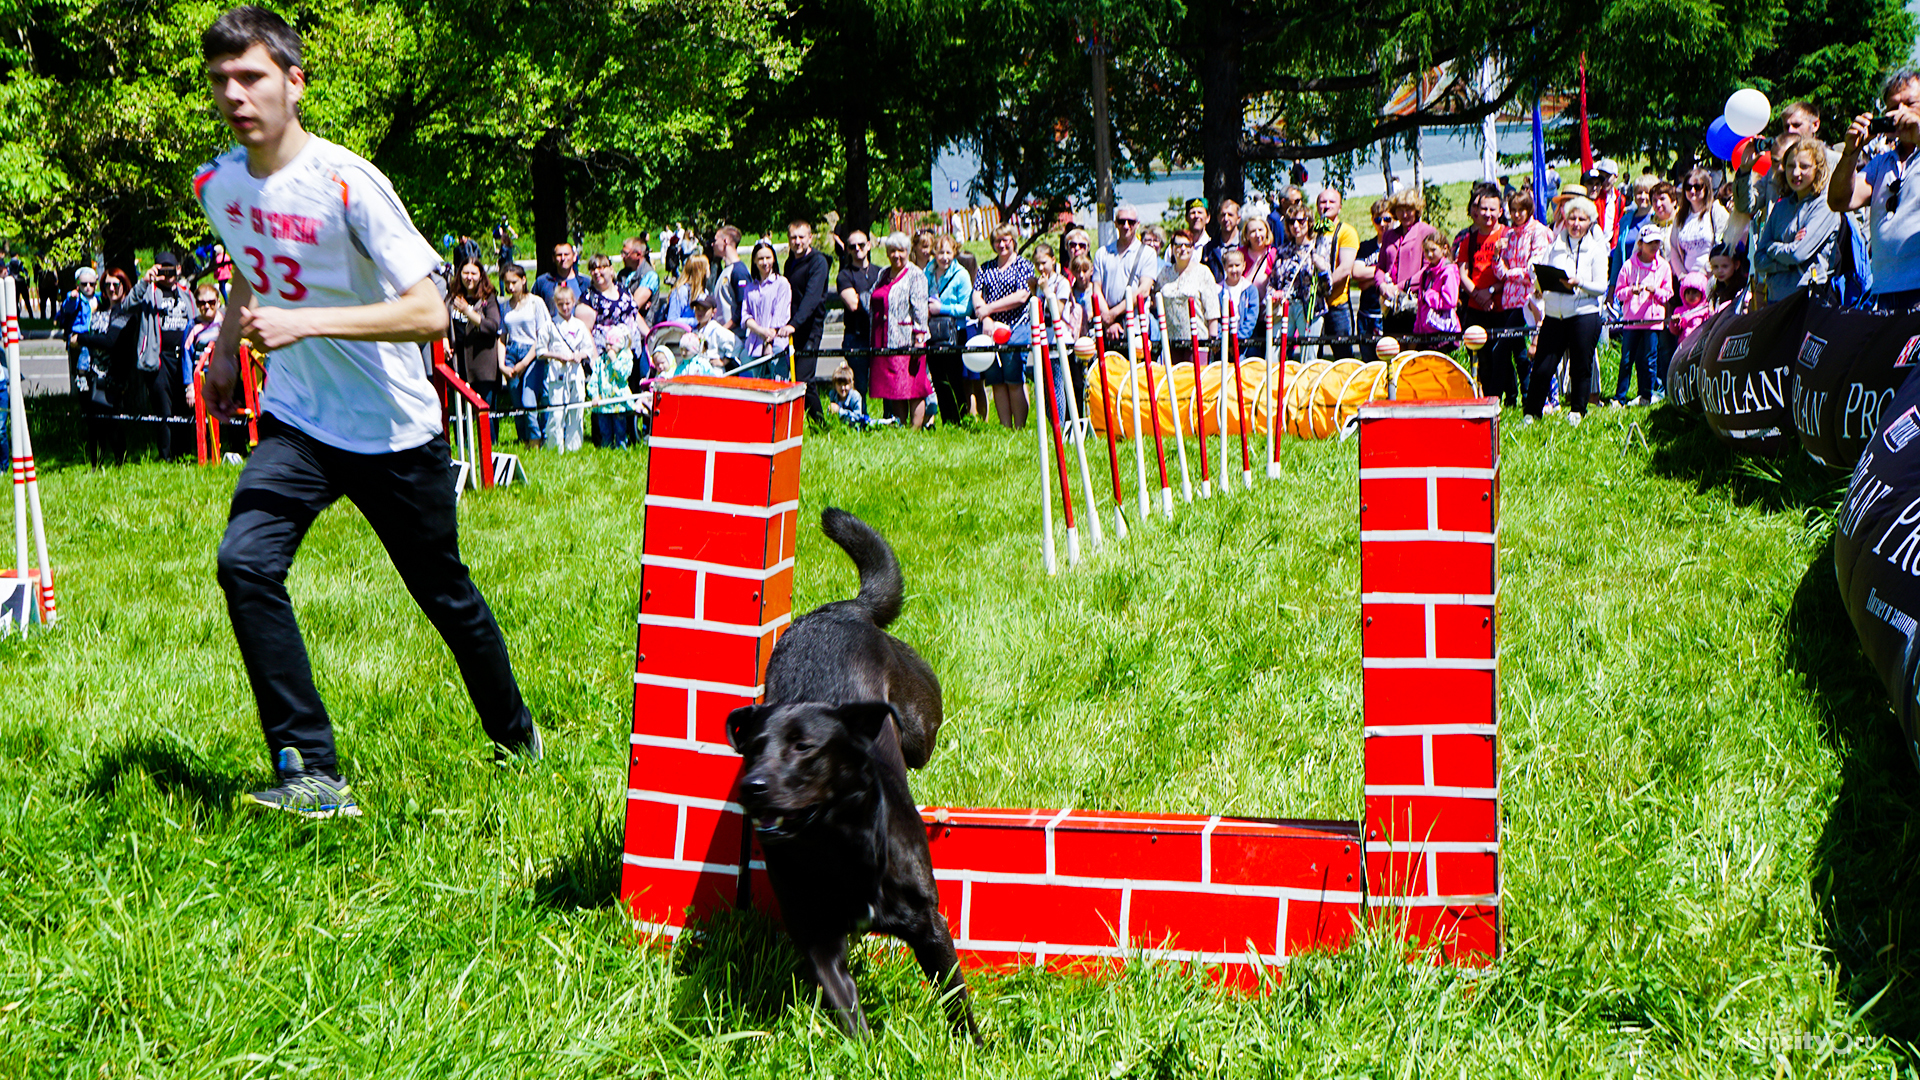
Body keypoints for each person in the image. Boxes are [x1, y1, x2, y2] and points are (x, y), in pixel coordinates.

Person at [195, 5, 539, 818]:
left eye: (251, 77)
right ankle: (310, 772)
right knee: (245, 562)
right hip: (299, 422)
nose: (235, 95)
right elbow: (250, 265)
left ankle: (517, 735)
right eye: (220, 82)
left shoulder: (350, 184)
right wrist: (219, 352)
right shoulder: (218, 184)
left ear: (294, 82)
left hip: (392, 429)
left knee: (445, 595)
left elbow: (429, 314)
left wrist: (302, 322)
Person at [1829, 71, 1920, 310]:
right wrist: (1851, 153)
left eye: (1909, 103)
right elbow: (1839, 200)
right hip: (1885, 292)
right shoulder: (1881, 162)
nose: (1898, 112)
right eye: (1892, 106)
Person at [1522, 196, 1609, 426]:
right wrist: (1539, 286)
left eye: (1582, 219)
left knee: (1581, 365)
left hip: (1584, 314)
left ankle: (1577, 411)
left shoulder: (1596, 250)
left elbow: (1601, 286)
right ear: (1565, 219)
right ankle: (1531, 414)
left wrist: (1579, 282)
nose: (1576, 223)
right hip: (1555, 314)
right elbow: (1541, 272)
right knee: (1542, 367)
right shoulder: (1555, 246)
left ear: (1590, 222)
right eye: (1572, 218)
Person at [122, 251, 198, 459]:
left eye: (170, 269)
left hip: (183, 359)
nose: (166, 274)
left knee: (185, 406)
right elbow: (127, 305)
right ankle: (166, 455)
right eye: (161, 270)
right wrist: (145, 281)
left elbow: (198, 318)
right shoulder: (149, 292)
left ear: (178, 269)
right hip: (158, 358)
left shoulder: (186, 294)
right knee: (163, 407)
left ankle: (184, 453)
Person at [1750, 136, 1839, 305]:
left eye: (1804, 166)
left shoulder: (1825, 206)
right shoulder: (1780, 207)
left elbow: (1798, 254)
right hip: (1775, 301)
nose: (1796, 173)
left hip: (1808, 300)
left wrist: (1772, 247)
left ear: (1817, 168)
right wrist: (1784, 261)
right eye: (1791, 166)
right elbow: (1759, 260)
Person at [973, 224, 1034, 428]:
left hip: (1017, 327)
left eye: (1005, 239)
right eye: (997, 240)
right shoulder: (985, 267)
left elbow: (1022, 295)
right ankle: (1005, 427)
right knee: (996, 380)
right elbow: (976, 295)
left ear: (1013, 240)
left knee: (1014, 377)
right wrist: (986, 319)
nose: (1002, 244)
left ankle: (1019, 427)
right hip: (990, 331)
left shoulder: (1024, 265)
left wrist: (988, 309)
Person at [868, 232, 930, 429]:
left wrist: (919, 340)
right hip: (884, 340)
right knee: (895, 389)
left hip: (907, 341)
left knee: (913, 388)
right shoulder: (883, 274)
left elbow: (921, 309)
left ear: (908, 251)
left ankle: (915, 429)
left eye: (901, 251)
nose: (896, 255)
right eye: (892, 251)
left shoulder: (915, 275)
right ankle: (900, 427)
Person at [1613, 223, 1673, 406]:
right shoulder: (1629, 266)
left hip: (1653, 320)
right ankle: (1620, 397)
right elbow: (1619, 292)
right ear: (1640, 244)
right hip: (1632, 320)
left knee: (1650, 360)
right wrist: (1632, 291)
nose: (1654, 246)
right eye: (1650, 242)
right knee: (1626, 359)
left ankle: (1647, 395)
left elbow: (1668, 292)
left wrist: (1656, 292)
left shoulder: (1663, 266)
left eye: (1657, 242)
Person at [500, 263, 553, 447]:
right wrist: (502, 365)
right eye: (506, 283)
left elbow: (542, 335)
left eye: (514, 282)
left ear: (523, 280)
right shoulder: (505, 306)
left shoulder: (535, 302)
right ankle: (523, 440)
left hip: (532, 353)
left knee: (528, 399)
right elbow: (502, 336)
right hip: (511, 353)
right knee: (517, 402)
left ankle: (536, 440)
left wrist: (524, 363)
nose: (510, 287)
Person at [1452, 184, 1506, 363]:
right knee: (1481, 361)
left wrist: (1489, 292)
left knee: (1502, 359)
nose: (1487, 213)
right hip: (1476, 308)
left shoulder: (1507, 236)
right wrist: (1478, 296)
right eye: (1483, 209)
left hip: (1501, 306)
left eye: (1492, 209)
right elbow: (1462, 272)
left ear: (1500, 211)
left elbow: (1511, 272)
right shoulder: (1469, 239)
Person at [782, 220, 832, 414]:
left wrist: (794, 324)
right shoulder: (790, 263)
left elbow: (812, 297)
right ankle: (800, 422)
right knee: (793, 378)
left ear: (810, 238)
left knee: (804, 378)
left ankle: (818, 422)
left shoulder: (818, 262)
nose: (797, 242)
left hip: (810, 327)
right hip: (792, 328)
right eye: (793, 238)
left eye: (801, 237)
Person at [447, 260, 503, 430]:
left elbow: (492, 327)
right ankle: (462, 447)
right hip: (458, 363)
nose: (469, 277)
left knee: (486, 414)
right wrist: (443, 338)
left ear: (481, 276)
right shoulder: (452, 297)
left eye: (473, 273)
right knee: (461, 413)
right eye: (465, 273)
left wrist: (468, 311)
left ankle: (491, 448)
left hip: (482, 364)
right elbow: (442, 321)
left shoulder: (489, 298)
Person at [1092, 205, 1159, 347]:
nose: (1126, 226)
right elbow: (1096, 289)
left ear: (1137, 224)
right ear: (1115, 223)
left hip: (1135, 330)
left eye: (1131, 222)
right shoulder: (1102, 253)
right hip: (1107, 329)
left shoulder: (1147, 253)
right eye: (1121, 221)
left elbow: (1144, 290)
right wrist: (1109, 321)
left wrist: (1113, 314)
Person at [1376, 188, 1438, 338]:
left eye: (1409, 210)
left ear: (1416, 210)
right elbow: (1380, 267)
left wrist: (1399, 287)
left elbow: (1428, 268)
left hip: (1415, 304)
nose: (1404, 214)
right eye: (1400, 210)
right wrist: (1382, 285)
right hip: (1390, 303)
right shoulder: (1389, 235)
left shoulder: (1427, 232)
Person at [926, 233, 972, 424]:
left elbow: (966, 308)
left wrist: (941, 308)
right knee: (937, 379)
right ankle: (948, 419)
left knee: (955, 378)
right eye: (940, 252)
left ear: (954, 252)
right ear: (934, 253)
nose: (944, 257)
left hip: (954, 332)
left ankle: (963, 417)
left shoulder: (961, 275)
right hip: (933, 332)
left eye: (948, 252)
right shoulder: (927, 272)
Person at [835, 229, 883, 398]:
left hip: (880, 336)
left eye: (861, 244)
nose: (857, 248)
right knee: (859, 387)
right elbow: (854, 304)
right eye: (852, 246)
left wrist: (865, 297)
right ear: (847, 249)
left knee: (885, 386)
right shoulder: (844, 275)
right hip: (855, 337)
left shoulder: (881, 273)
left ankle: (889, 421)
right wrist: (878, 298)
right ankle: (859, 421)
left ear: (869, 246)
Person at [1313, 189, 1360, 358]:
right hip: (1313, 308)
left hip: (1337, 305)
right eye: (1322, 202)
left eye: (1331, 202)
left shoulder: (1346, 232)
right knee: (1312, 356)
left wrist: (1324, 287)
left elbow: (1346, 267)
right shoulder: (1313, 231)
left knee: (1344, 357)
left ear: (1340, 207)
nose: (1326, 206)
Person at [544, 283, 590, 452]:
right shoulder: (550, 325)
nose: (565, 307)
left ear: (573, 302)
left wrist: (580, 355)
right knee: (557, 413)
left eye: (568, 303)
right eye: (561, 304)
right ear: (556, 304)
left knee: (576, 411)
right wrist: (557, 356)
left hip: (576, 373)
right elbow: (541, 351)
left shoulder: (579, 325)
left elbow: (588, 349)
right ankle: (555, 447)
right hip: (557, 374)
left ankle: (574, 447)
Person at [741, 239, 793, 378]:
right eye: (760, 259)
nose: (765, 262)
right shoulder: (750, 288)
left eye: (768, 258)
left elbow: (780, 317)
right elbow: (746, 316)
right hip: (754, 345)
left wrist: (768, 343)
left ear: (774, 259)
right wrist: (760, 331)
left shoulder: (781, 283)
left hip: (776, 346)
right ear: (754, 261)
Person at [1348, 200, 1390, 363]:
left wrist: (1370, 279)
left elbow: (1396, 273)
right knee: (1368, 360)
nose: (1383, 224)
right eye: (1378, 220)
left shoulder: (1397, 245)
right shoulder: (1366, 246)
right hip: (1366, 313)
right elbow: (1357, 272)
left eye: (1387, 219)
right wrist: (1382, 274)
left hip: (1387, 314)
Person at [1670, 168, 1728, 280]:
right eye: (1688, 187)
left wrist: (1709, 272)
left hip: (1712, 278)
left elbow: (1724, 244)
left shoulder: (1716, 210)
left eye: (1697, 187)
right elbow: (1674, 249)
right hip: (1688, 284)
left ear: (1706, 187)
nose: (1692, 191)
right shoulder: (1681, 216)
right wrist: (1682, 276)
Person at [59, 266, 101, 395]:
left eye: (91, 284)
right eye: (84, 284)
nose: (88, 287)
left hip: (94, 332)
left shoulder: (98, 298)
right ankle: (81, 374)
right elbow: (68, 308)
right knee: (84, 349)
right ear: (78, 285)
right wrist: (71, 298)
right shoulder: (77, 298)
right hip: (80, 331)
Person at [1412, 234, 1461, 344]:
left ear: (1444, 248)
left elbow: (1451, 301)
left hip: (1442, 333)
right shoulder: (1426, 273)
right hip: (1424, 332)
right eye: (1426, 250)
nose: (1429, 254)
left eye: (1433, 250)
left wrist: (1430, 295)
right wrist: (1417, 331)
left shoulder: (1449, 271)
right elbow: (1421, 304)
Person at [711, 225, 751, 334]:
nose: (712, 244)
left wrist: (724, 329)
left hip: (735, 338)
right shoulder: (726, 270)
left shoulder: (738, 271)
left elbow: (743, 307)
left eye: (715, 240)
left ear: (726, 241)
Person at [532, 241, 589, 317]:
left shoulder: (586, 283)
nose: (563, 258)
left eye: (566, 254)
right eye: (559, 255)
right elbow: (532, 307)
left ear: (574, 257)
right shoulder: (543, 282)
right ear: (553, 258)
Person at [663, 254, 715, 323]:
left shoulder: (705, 291)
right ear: (701, 271)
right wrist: (696, 321)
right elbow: (672, 320)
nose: (709, 270)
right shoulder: (681, 291)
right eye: (707, 267)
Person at [1202, 199, 1242, 280]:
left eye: (1230, 215)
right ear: (1218, 218)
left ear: (1238, 219)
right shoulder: (1209, 248)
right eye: (1223, 215)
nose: (1226, 218)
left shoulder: (1246, 245)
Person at [618, 237, 659, 315]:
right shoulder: (622, 274)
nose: (622, 256)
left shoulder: (650, 275)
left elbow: (633, 306)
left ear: (638, 254)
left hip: (643, 324)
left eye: (626, 253)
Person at [1672, 272, 1714, 340]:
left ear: (1703, 293)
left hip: (1701, 342)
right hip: (1685, 343)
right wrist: (1675, 323)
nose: (1691, 296)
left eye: (1694, 292)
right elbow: (1675, 331)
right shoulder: (1680, 311)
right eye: (1688, 293)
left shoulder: (1706, 309)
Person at [1708, 243, 1749, 307]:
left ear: (1736, 265)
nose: (1720, 271)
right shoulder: (1714, 286)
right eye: (1715, 267)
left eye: (1725, 266)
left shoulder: (1743, 289)